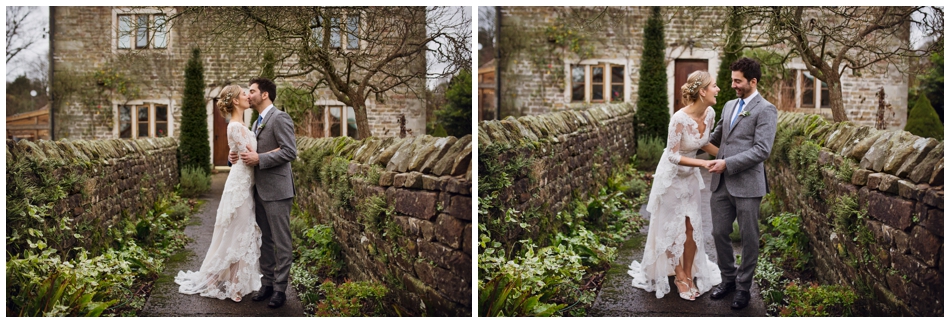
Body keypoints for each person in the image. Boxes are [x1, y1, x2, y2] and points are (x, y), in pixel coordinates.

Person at [628, 70, 723, 301]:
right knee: (671, 227)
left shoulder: (710, 113)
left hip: (689, 177)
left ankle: (689, 272)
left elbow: (704, 143)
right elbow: (672, 155)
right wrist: (702, 162)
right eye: (714, 86)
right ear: (702, 91)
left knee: (692, 227)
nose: (718, 89)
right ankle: (679, 275)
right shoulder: (678, 119)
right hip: (670, 178)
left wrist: (728, 157)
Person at [175, 85, 262, 302]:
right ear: (235, 101)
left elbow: (237, 153)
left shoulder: (240, 125)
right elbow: (249, 156)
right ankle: (217, 281)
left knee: (239, 233)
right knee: (236, 232)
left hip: (244, 184)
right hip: (239, 187)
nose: (248, 97)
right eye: (244, 94)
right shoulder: (235, 127)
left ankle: (234, 284)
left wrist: (235, 155)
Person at [706, 57, 778, 310]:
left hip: (748, 184)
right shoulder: (727, 106)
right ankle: (728, 279)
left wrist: (728, 163)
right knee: (717, 233)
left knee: (749, 238)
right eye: (732, 80)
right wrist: (686, 136)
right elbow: (715, 138)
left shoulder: (766, 109)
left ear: (753, 81)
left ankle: (744, 287)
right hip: (721, 184)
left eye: (738, 81)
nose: (733, 85)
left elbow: (762, 150)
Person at [229, 77, 298, 309]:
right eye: (247, 92)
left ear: (265, 94)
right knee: (264, 241)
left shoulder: (280, 118)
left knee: (281, 240)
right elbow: (249, 151)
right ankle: (267, 283)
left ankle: (280, 289)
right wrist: (234, 158)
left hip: (278, 190)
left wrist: (261, 158)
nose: (248, 95)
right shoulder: (257, 122)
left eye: (252, 91)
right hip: (258, 189)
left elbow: (290, 151)